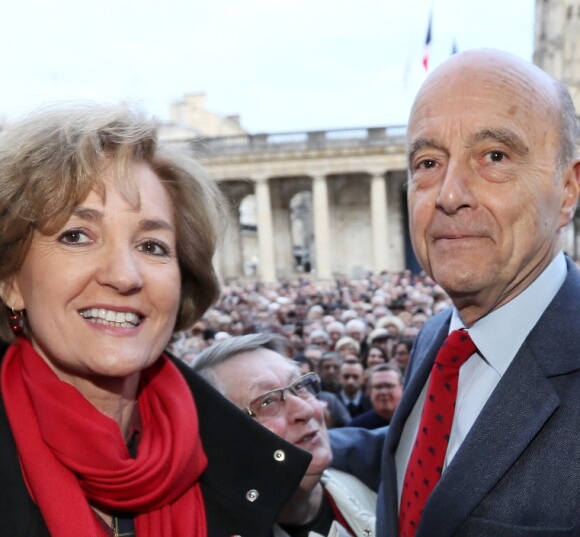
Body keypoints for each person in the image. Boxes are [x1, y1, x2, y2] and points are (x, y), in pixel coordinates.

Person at [0, 104, 310, 536]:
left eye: (152, 246)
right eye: (77, 236)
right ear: (11, 279)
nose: (125, 275)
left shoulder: (245, 468)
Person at [330, 48, 580, 535]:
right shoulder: (439, 337)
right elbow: (446, 452)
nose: (448, 194)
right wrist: (304, 441)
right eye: (428, 161)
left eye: (494, 156)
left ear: (567, 189)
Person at [192, 333, 377, 537]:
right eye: (267, 402)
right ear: (222, 439)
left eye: (299, 386)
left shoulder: (381, 485)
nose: (305, 410)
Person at [348, 364, 403, 429]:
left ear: (402, 389)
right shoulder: (355, 428)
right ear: (369, 392)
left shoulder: (414, 423)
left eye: (389, 386)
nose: (383, 392)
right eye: (378, 387)